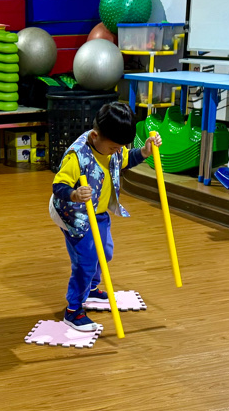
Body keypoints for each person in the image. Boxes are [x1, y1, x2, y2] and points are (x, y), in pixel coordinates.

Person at [50, 102, 161, 330]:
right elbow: (58, 185)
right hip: (74, 214)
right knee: (86, 260)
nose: (117, 151)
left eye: (120, 147)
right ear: (94, 135)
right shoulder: (77, 156)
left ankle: (91, 288)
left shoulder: (112, 147)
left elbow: (126, 159)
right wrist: (74, 194)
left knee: (105, 252)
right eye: (113, 148)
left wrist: (144, 152)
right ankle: (73, 310)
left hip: (97, 211)